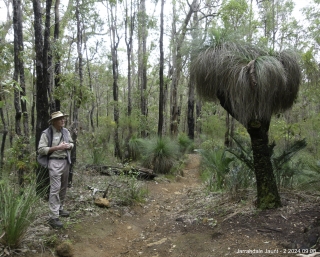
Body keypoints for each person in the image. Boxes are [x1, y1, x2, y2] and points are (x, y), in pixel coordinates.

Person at [38, 111, 74, 229]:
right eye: (60, 119)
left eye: (63, 118)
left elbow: (72, 143)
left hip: (65, 161)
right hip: (54, 162)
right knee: (55, 188)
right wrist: (58, 147)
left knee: (63, 187)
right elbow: (41, 149)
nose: (63, 120)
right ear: (53, 121)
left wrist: (69, 146)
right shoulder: (46, 133)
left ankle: (60, 208)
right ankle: (53, 217)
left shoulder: (66, 131)